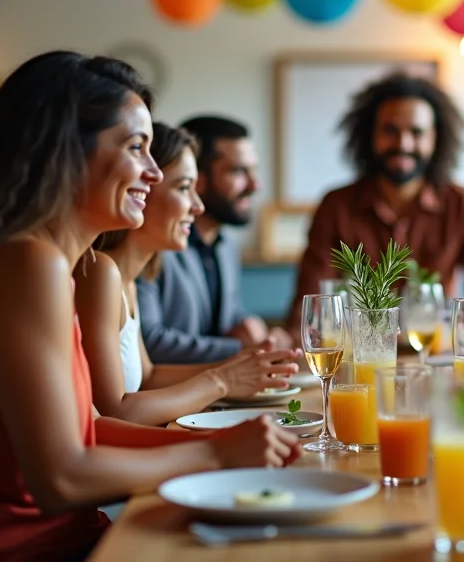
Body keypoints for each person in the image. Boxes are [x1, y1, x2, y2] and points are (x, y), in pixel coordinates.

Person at [0, 52, 301, 562]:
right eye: (137, 148)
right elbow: (61, 478)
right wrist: (212, 454)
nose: (154, 175)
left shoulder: (43, 263)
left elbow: (90, 426)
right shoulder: (28, 266)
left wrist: (240, 452)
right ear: (65, 153)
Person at [76, 123, 301, 427]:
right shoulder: (102, 272)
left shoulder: (127, 279)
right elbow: (115, 412)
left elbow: (150, 375)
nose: (197, 206)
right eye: (184, 189)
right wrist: (221, 380)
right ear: (143, 191)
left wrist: (243, 368)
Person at [291, 72, 464, 328]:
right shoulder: (336, 206)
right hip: (361, 355)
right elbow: (312, 301)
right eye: (390, 130)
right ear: (370, 135)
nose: (403, 144)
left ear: (435, 138)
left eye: (416, 132)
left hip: (434, 355)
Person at [137, 116, 290, 364]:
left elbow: (225, 322)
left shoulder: (227, 244)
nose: (255, 185)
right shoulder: (155, 241)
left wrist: (255, 329)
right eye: (238, 171)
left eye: (254, 170)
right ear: (199, 177)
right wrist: (242, 349)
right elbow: (147, 341)